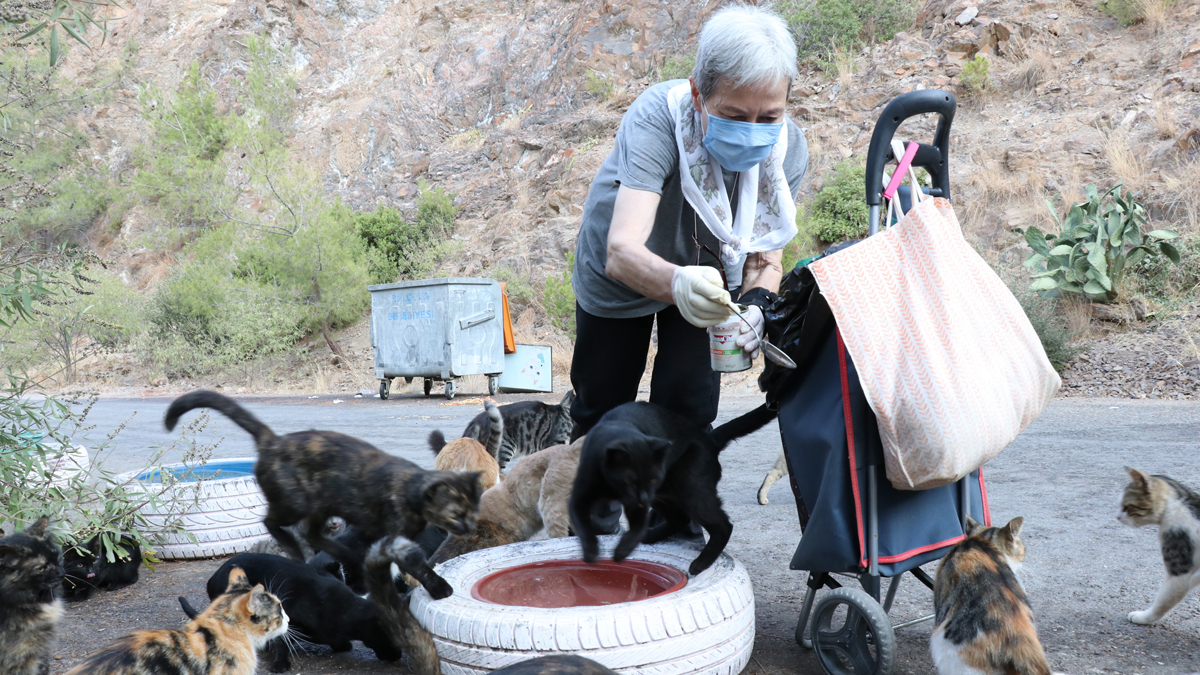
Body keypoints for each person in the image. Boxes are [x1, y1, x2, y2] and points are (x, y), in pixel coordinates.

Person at [569, 4, 808, 441]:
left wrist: (755, 307)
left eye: (770, 117)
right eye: (735, 116)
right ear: (698, 95)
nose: (755, 130)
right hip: (626, 272)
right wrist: (679, 285)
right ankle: (589, 509)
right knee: (603, 410)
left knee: (688, 412)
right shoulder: (657, 119)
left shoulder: (788, 150)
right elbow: (622, 252)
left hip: (711, 277)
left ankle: (670, 510)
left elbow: (763, 259)